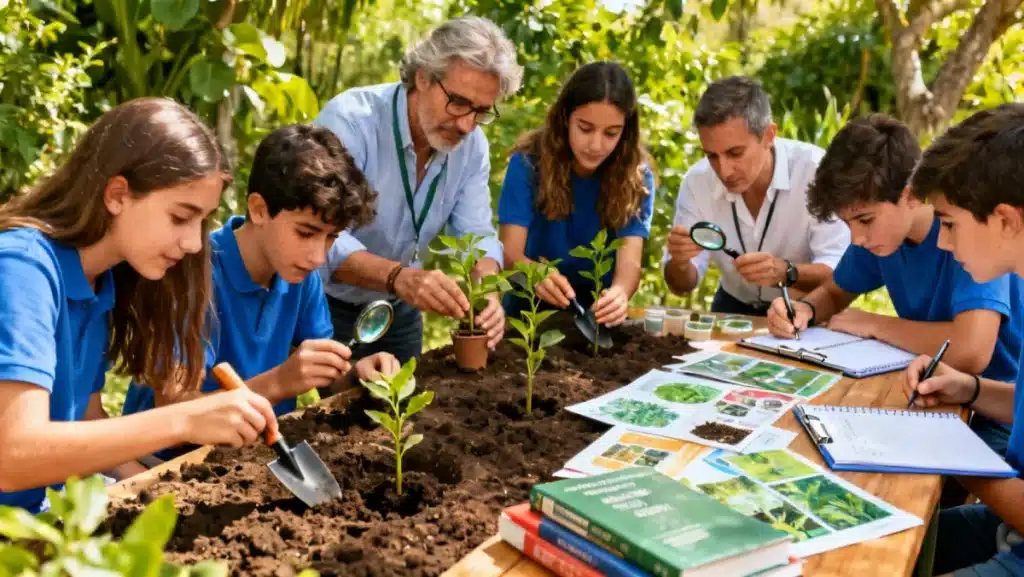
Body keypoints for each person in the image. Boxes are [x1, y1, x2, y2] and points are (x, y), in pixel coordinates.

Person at [0, 98, 280, 513]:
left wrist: (157, 492)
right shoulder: (23, 269)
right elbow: (13, 456)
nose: (193, 243)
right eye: (180, 217)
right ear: (117, 195)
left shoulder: (100, 282)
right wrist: (184, 420)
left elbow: (85, 421)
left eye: (201, 222)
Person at [120, 124, 401, 464]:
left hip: (255, 455)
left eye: (331, 237)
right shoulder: (190, 275)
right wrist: (279, 382)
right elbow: (173, 410)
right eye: (306, 232)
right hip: (167, 464)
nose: (318, 256)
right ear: (258, 209)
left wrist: (357, 375)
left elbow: (325, 377)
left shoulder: (300, 275)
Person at [767, 113, 1021, 456]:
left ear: (910, 195)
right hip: (948, 391)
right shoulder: (881, 239)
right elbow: (834, 291)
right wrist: (805, 309)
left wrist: (875, 325)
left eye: (864, 219)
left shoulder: (970, 237)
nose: (856, 238)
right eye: (848, 224)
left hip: (996, 412)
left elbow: (971, 350)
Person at [314, 16, 524, 362]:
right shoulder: (351, 122)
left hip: (398, 311)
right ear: (423, 77)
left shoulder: (472, 147)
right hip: (325, 304)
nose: (466, 124)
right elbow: (323, 235)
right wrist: (399, 277)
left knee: (405, 395)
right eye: (458, 102)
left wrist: (488, 293)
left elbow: (476, 232)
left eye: (481, 112)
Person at [901, 103, 1024, 577]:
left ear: (1006, 220)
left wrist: (956, 458)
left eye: (949, 224)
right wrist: (968, 389)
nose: (942, 243)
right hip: (1006, 524)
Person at [662, 75, 850, 316]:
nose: (724, 171)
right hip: (732, 306)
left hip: (806, 308)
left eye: (735, 153)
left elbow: (842, 274)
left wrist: (787, 272)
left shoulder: (815, 171)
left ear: (769, 135)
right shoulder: (697, 182)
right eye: (712, 156)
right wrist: (679, 262)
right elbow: (681, 286)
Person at [497, 61, 655, 326]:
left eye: (611, 133)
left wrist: (619, 294)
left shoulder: (635, 177)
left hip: (595, 320)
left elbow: (630, 264)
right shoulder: (528, 165)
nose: (596, 145)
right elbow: (509, 254)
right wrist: (534, 274)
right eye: (585, 128)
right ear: (564, 118)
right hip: (528, 316)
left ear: (626, 131)